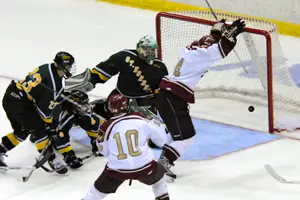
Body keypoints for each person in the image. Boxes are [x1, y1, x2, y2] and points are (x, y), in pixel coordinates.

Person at [155, 19, 246, 179]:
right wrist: (230, 36)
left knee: (176, 134)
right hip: (173, 98)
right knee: (187, 137)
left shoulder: (187, 51)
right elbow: (222, 48)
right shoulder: (202, 55)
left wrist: (217, 33)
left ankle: (160, 163)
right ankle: (162, 166)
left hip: (166, 95)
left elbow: (210, 45)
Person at [0, 51, 76, 174]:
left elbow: (40, 94)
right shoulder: (54, 83)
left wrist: (60, 99)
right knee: (40, 130)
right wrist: (50, 124)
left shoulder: (47, 67)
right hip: (20, 104)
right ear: (61, 66)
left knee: (22, 131)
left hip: (11, 96)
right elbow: (44, 109)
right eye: (68, 66)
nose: (70, 68)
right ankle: (53, 160)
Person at [82, 94, 170, 200]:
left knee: (95, 193)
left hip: (117, 170)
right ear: (127, 105)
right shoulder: (142, 118)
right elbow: (161, 140)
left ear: (109, 108)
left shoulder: (106, 126)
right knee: (159, 179)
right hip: (144, 166)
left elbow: (103, 151)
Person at [53, 90, 105, 169]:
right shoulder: (64, 116)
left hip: (75, 114)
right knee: (55, 140)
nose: (87, 108)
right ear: (75, 105)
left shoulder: (80, 110)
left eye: (86, 103)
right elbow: (61, 138)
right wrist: (69, 156)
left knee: (90, 121)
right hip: (51, 121)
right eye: (83, 105)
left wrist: (97, 142)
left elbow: (94, 126)